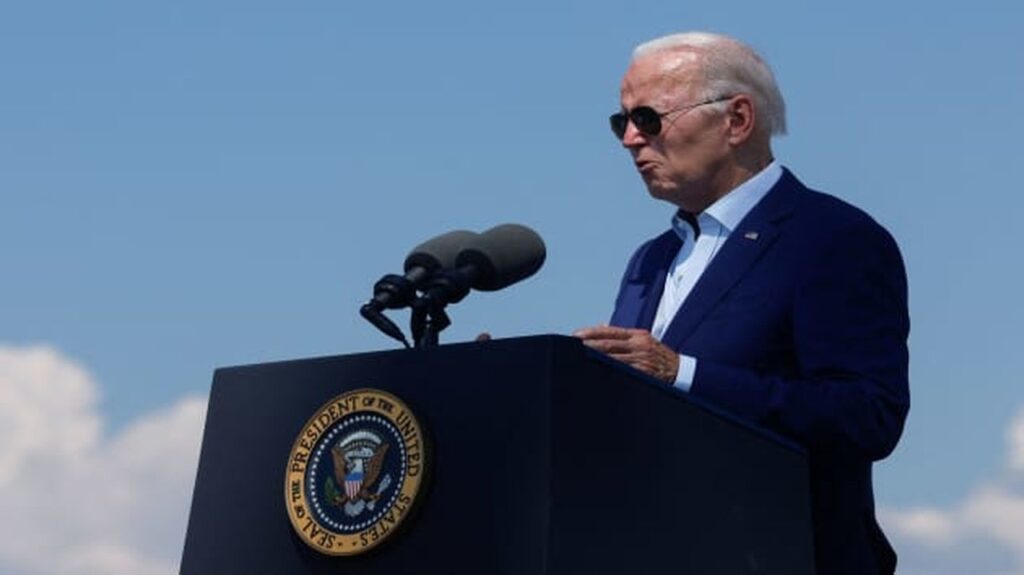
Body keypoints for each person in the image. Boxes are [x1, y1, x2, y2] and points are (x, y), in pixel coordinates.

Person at [574, 32, 909, 575]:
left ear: (737, 120)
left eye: (649, 118)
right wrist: (537, 384)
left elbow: (867, 416)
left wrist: (680, 372)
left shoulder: (832, 238)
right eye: (622, 122)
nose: (630, 140)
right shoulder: (650, 260)